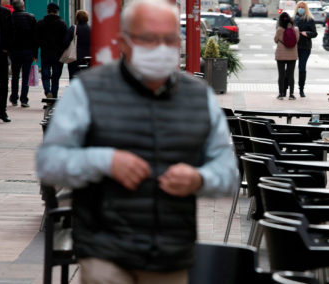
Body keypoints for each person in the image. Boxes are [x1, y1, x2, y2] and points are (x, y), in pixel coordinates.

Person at [36, 0, 239, 283]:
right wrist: (104, 161)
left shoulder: (198, 97)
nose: (160, 47)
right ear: (125, 42)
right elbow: (49, 162)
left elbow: (228, 171)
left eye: (168, 39)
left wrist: (199, 178)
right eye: (148, 38)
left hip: (170, 254)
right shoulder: (89, 91)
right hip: (105, 252)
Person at [9, 0, 37, 108]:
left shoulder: (10, 17)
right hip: (28, 51)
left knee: (15, 76)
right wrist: (35, 53)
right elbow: (35, 37)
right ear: (23, 6)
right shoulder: (31, 17)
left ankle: (14, 98)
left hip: (14, 51)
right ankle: (24, 99)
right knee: (25, 76)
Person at [37, 3, 67, 98]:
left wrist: (34, 53)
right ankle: (54, 96)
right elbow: (65, 40)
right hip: (58, 54)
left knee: (45, 74)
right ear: (57, 11)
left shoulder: (41, 23)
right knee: (56, 75)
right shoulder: (62, 23)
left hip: (45, 52)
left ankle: (47, 91)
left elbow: (36, 39)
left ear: (47, 11)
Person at [294, 1, 317, 98]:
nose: (301, 8)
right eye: (299, 7)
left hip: (305, 47)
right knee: (289, 68)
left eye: (302, 7)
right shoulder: (293, 19)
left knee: (302, 68)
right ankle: (286, 89)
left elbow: (315, 33)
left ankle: (301, 89)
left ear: (306, 8)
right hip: (293, 47)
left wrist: (307, 33)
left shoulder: (310, 20)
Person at [274, 12, 299, 100]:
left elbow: (275, 40)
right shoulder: (295, 29)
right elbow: (297, 40)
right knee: (291, 75)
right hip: (292, 55)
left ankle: (281, 94)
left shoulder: (279, 29)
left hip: (280, 55)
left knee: (281, 75)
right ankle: (291, 94)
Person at [63, 10, 90, 80]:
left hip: (74, 58)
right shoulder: (91, 30)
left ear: (77, 18)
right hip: (88, 58)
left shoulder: (73, 29)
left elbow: (65, 42)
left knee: (73, 76)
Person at [0, 2, 12, 122]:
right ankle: (2, 111)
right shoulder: (5, 12)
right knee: (3, 84)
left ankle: (2, 111)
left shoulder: (5, 13)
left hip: (2, 53)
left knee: (3, 83)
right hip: (2, 53)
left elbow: (9, 32)